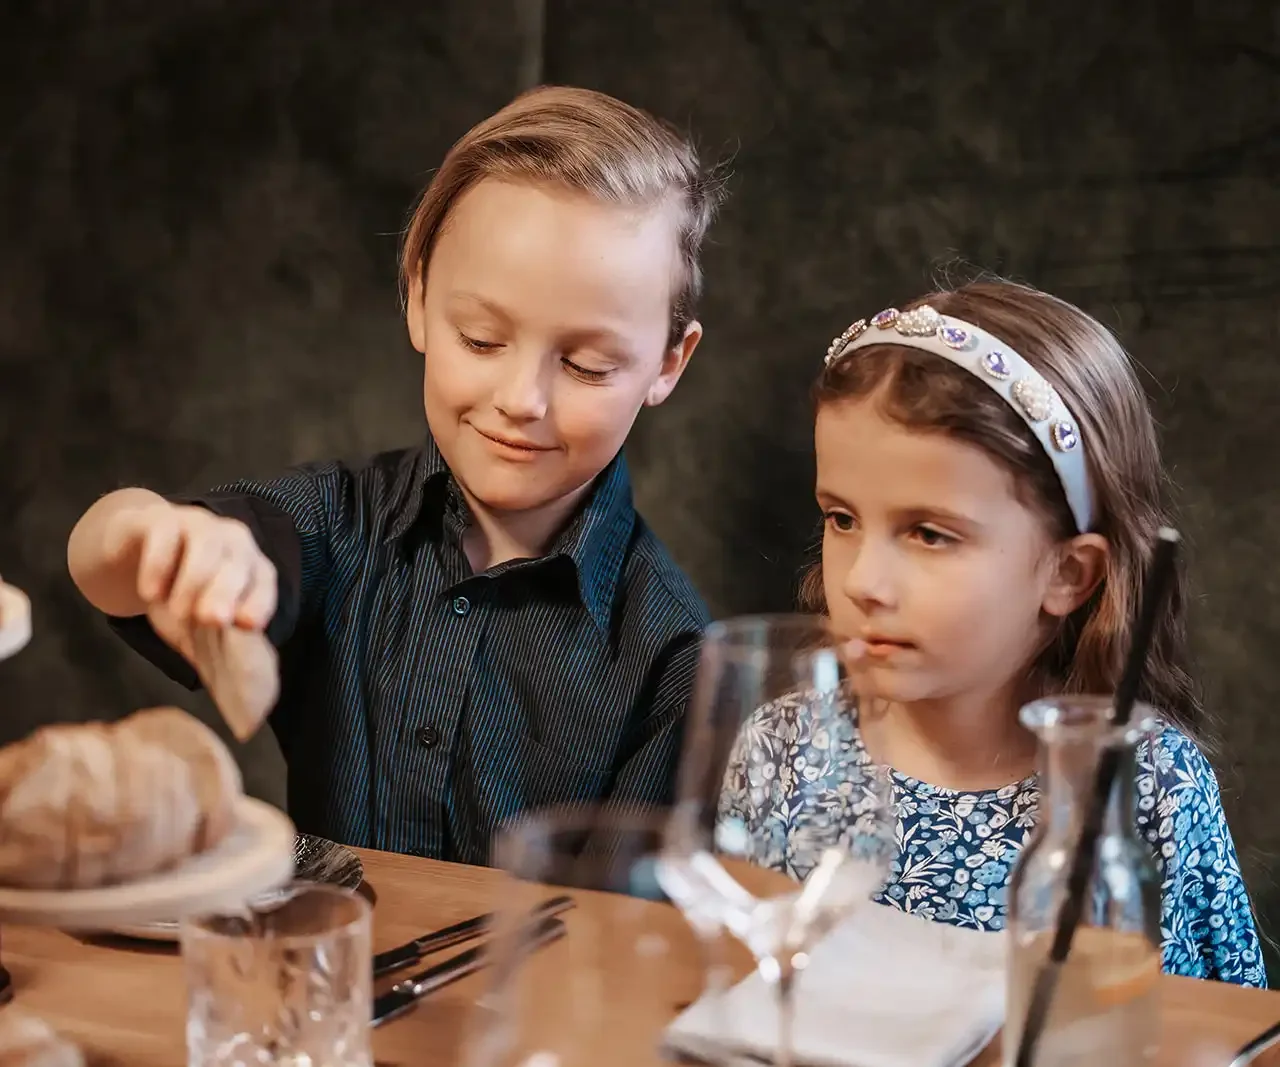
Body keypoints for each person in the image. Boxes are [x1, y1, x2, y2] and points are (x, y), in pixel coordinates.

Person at [67, 85, 723, 864]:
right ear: (417, 295)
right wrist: (150, 534)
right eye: (481, 339)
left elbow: (626, 923)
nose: (522, 399)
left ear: (668, 362)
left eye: (586, 364)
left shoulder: (674, 656)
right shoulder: (336, 522)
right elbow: (111, 566)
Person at [719, 280, 1265, 986]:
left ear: (1067, 574)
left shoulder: (1145, 783)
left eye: (929, 533)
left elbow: (1222, 1024)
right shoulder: (783, 750)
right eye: (842, 519)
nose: (863, 582)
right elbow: (734, 987)